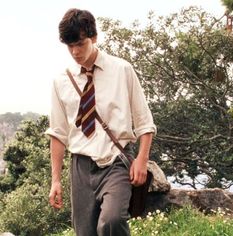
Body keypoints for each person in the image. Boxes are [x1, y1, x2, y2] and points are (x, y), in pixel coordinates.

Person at [45, 8, 156, 236]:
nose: (75, 52)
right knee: (85, 232)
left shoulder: (122, 70)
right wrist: (55, 181)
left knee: (111, 221)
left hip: (116, 162)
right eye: (69, 46)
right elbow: (58, 133)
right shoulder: (61, 81)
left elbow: (145, 123)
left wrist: (142, 160)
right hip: (81, 166)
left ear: (94, 37)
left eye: (80, 44)